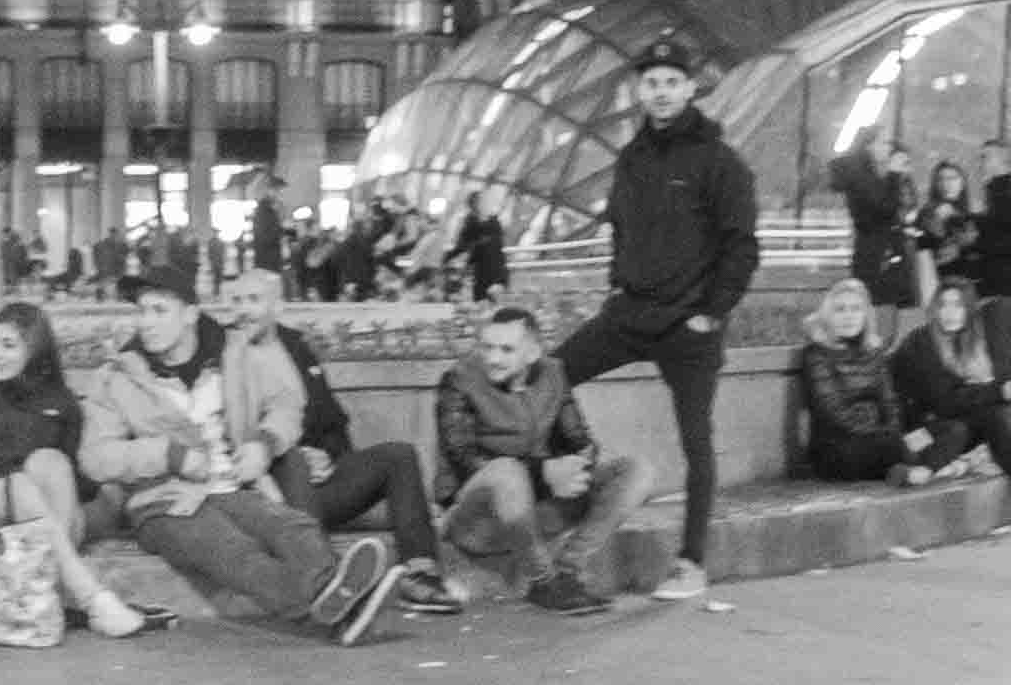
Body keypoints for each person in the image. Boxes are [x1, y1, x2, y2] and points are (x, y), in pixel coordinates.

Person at [78, 268, 402, 645]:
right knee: (233, 550)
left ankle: (341, 605)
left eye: (159, 310)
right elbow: (96, 456)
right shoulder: (118, 375)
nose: (146, 322)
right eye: (142, 311)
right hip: (163, 501)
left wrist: (263, 443)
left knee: (293, 527)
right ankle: (330, 603)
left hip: (232, 486)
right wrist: (170, 454)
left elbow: (287, 404)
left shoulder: (235, 355)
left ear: (190, 314)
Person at [556, 37, 758, 605]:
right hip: (630, 312)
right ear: (639, 91)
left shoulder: (720, 162)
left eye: (672, 81)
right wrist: (619, 286)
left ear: (691, 88)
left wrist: (711, 314)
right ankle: (579, 481)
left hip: (689, 324)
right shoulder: (632, 158)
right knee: (549, 377)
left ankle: (692, 562)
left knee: (698, 441)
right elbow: (623, 228)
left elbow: (742, 246)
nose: (662, 92)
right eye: (651, 82)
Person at [0, 301, 167, 640]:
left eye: (8, 345)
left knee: (50, 461)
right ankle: (95, 602)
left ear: (35, 350)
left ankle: (49, 593)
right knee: (16, 483)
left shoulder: (62, 403)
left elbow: (81, 488)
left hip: (47, 530)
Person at [221, 268, 461, 616]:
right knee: (292, 461)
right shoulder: (227, 352)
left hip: (316, 487)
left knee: (399, 456)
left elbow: (332, 420)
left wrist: (329, 456)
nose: (244, 310)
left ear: (276, 305)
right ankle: (327, 579)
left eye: (254, 300)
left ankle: (420, 573)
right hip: (265, 488)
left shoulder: (296, 347)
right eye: (237, 301)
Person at [432, 303, 648, 613]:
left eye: (506, 349)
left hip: (536, 511)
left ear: (532, 353)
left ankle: (568, 572)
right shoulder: (458, 381)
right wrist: (544, 472)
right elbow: (464, 460)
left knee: (636, 470)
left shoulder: (553, 375)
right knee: (506, 471)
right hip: (476, 522)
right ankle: (542, 581)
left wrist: (577, 469)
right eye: (487, 347)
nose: (493, 358)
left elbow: (582, 442)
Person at [891, 277, 1011, 526]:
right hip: (915, 435)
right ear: (934, 309)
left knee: (998, 419)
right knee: (993, 418)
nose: (949, 313)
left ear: (970, 310)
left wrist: (998, 393)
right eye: (943, 305)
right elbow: (945, 402)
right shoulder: (922, 343)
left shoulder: (959, 343)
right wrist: (999, 392)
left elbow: (959, 398)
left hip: (944, 425)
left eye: (958, 305)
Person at [796, 276, 965, 485]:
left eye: (856, 309)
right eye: (840, 309)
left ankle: (919, 471)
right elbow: (833, 413)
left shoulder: (874, 353)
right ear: (827, 316)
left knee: (952, 430)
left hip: (887, 441)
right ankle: (932, 467)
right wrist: (888, 435)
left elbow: (890, 403)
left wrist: (894, 431)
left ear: (865, 316)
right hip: (839, 448)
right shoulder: (815, 354)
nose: (849, 316)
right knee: (897, 445)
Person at [827, 133, 921, 339]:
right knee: (877, 322)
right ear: (869, 146)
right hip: (876, 259)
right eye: (884, 142)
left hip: (894, 256)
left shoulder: (887, 178)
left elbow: (905, 210)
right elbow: (882, 210)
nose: (889, 148)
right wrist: (895, 176)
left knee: (897, 323)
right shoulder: (861, 178)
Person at [965, 140, 1011, 341]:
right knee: (1002, 349)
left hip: (1001, 286)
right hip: (1009, 285)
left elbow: (1009, 241)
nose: (980, 163)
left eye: (985, 157)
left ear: (1001, 160)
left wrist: (972, 242)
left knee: (1000, 350)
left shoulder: (1008, 196)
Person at [914, 162, 976, 322]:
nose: (947, 184)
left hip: (969, 285)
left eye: (952, 178)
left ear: (962, 182)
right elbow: (925, 249)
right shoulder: (928, 214)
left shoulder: (970, 215)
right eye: (941, 179)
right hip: (940, 286)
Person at [457, 190, 510, 303]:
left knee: (492, 305)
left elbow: (492, 247)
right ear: (473, 205)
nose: (485, 205)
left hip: (495, 272)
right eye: (481, 202)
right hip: (483, 274)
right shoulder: (471, 224)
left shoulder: (493, 223)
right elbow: (465, 246)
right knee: (482, 304)